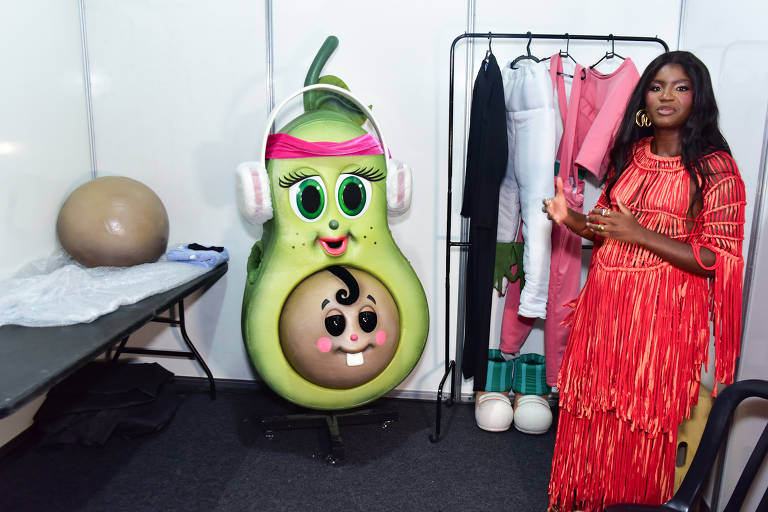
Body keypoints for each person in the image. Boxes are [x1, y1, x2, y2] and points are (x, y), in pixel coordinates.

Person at [543, 51, 746, 511]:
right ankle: (589, 501)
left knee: (642, 425)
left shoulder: (717, 170)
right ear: (643, 99)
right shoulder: (631, 155)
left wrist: (640, 233)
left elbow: (714, 256)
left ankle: (633, 505)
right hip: (603, 312)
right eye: (656, 87)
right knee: (592, 411)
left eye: (680, 87)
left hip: (660, 324)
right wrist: (569, 218)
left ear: (699, 97)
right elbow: (607, 228)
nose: (667, 96)